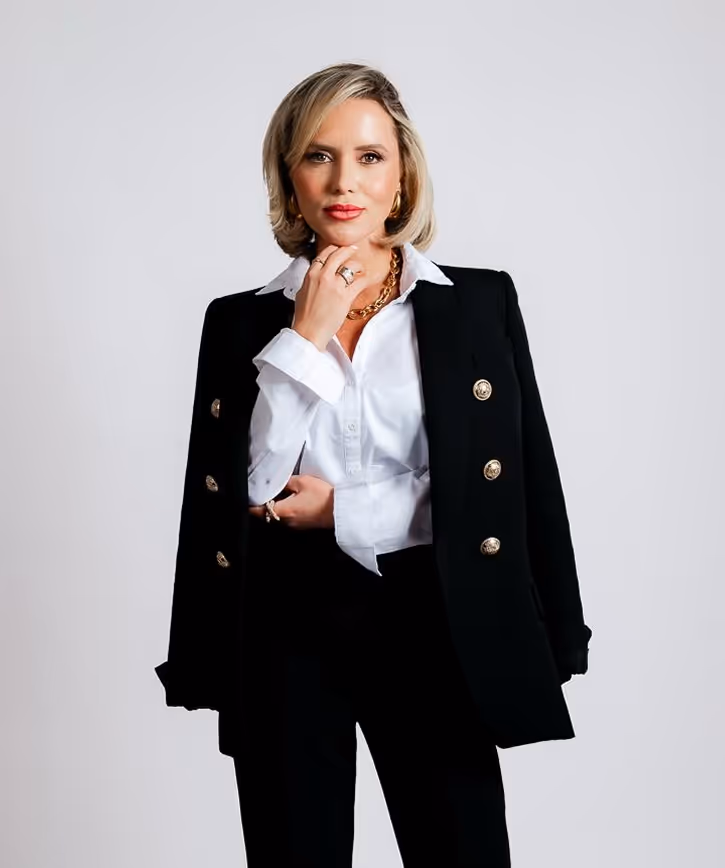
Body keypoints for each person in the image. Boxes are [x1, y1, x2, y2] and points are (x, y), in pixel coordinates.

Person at [155, 61, 593, 867]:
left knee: (459, 850)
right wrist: (306, 335)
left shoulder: (478, 303)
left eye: (368, 157)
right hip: (283, 625)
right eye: (317, 156)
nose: (343, 181)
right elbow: (247, 494)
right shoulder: (238, 322)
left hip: (437, 617)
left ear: (401, 179)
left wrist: (340, 513)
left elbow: (504, 488)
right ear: (289, 181)